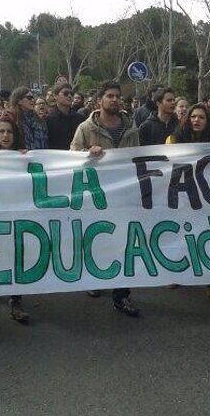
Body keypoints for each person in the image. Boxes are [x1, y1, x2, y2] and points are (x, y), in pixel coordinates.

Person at [70, 81, 141, 317]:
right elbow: (70, 159)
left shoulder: (131, 128)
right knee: (96, 240)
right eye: (109, 96)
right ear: (99, 100)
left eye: (117, 96)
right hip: (95, 197)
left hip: (123, 196)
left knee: (123, 242)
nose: (114, 100)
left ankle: (121, 295)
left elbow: (138, 158)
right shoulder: (85, 128)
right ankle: (93, 279)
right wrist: (86, 155)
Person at [166, 103, 210, 304]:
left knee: (208, 239)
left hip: (207, 198)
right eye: (193, 116)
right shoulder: (174, 139)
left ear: (208, 121)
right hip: (183, 195)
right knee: (182, 235)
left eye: (201, 117)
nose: (196, 120)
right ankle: (177, 275)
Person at [0, 112, 30, 323]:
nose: (5, 135)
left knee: (16, 253)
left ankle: (16, 300)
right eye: (1, 131)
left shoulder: (24, 157)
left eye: (9, 132)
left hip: (15, 211)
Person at [46, 81, 85, 150]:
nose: (69, 96)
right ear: (55, 96)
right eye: (65, 93)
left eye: (71, 94)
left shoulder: (80, 119)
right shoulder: (48, 119)